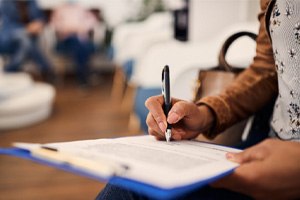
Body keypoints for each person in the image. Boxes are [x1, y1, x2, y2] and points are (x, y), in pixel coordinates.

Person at [97, 0, 300, 199]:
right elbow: (267, 69)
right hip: (266, 145)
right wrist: (206, 113)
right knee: (129, 186)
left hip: (283, 170)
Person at [0, 0, 55, 82]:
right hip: (10, 37)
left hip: (28, 38)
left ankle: (9, 70)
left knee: (26, 42)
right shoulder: (6, 2)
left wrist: (39, 24)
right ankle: (46, 69)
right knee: (26, 40)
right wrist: (26, 29)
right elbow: (8, 23)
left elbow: (40, 17)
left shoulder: (33, 2)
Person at [50, 1, 98, 86]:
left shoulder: (81, 9)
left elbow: (92, 21)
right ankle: (84, 77)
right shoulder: (60, 9)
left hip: (81, 40)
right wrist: (70, 29)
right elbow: (54, 25)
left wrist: (82, 28)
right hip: (65, 41)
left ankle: (82, 78)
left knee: (80, 45)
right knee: (77, 42)